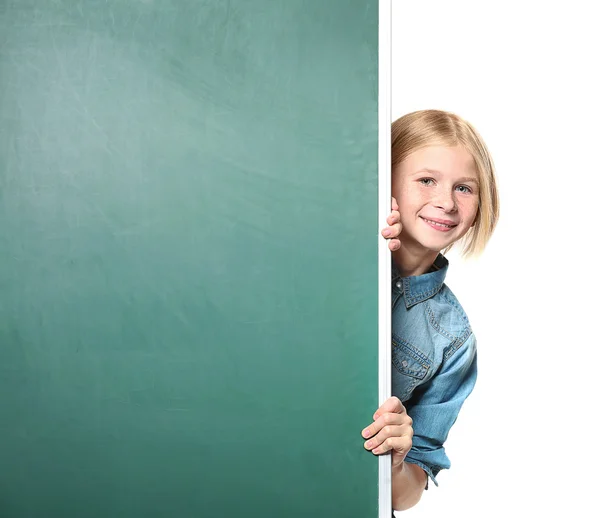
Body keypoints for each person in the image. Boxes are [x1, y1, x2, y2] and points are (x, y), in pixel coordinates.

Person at [361, 109, 499, 511]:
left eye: (464, 188)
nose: (445, 202)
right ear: (384, 181)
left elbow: (406, 494)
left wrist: (397, 460)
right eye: (426, 180)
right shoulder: (324, 247)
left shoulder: (453, 340)